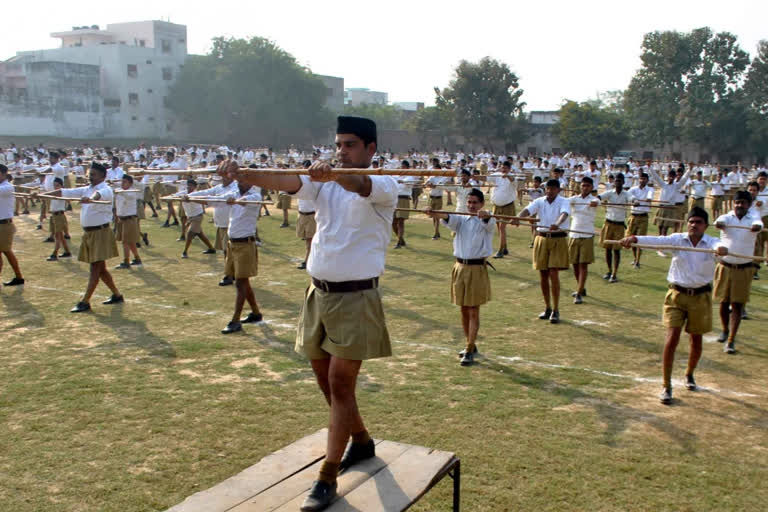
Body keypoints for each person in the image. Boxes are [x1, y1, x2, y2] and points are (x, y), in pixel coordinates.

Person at [219, 116, 397, 512]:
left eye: (351, 145)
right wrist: (243, 172)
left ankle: (327, 475)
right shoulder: (322, 182)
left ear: (370, 149)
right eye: (339, 144)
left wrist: (335, 174)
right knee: (325, 381)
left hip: (357, 298)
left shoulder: (384, 184)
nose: (342, 151)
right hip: (319, 293)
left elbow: (357, 183)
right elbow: (286, 181)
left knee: (339, 383)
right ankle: (362, 440)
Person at [619, 207, 726, 404]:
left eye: (698, 222)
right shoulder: (678, 239)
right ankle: (666, 386)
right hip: (676, 295)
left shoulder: (711, 243)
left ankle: (689, 374)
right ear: (687, 223)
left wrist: (721, 250)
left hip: (700, 297)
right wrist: (634, 239)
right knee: (672, 338)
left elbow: (721, 249)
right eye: (691, 221)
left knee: (696, 340)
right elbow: (657, 241)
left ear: (705, 226)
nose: (694, 225)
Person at [427, 188, 494, 366]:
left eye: (475, 203)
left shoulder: (487, 220)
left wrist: (486, 215)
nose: (471, 206)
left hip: (476, 268)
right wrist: (435, 213)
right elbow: (448, 218)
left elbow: (489, 221)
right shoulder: (461, 219)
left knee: (473, 309)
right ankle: (469, 343)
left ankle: (470, 347)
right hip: (460, 267)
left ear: (482, 203)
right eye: (469, 202)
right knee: (463, 308)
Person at [45, 162, 123, 312]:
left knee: (95, 267)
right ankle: (117, 295)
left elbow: (98, 196)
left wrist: (90, 198)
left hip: (100, 233)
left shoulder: (105, 189)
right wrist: (43, 195)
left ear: (102, 176)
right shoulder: (87, 189)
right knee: (101, 269)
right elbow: (64, 192)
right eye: (89, 174)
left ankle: (85, 301)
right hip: (90, 234)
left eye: (93, 175)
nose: (90, 177)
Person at [713, 190, 763, 353]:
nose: (740, 205)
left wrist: (757, 227)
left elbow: (759, 224)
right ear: (733, 203)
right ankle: (725, 330)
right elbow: (718, 221)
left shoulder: (753, 217)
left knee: (737, 305)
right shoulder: (728, 217)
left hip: (744, 268)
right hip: (725, 266)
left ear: (748, 205)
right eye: (737, 202)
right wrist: (719, 224)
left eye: (743, 203)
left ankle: (731, 339)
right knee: (723, 302)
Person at [514, 179, 570, 324]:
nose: (549, 191)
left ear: (558, 190)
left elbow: (564, 214)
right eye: (548, 189)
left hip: (558, 238)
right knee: (543, 274)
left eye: (552, 189)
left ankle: (556, 309)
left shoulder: (564, 201)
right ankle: (548, 307)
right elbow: (528, 210)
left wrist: (557, 224)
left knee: (553, 272)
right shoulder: (540, 201)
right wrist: (518, 218)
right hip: (542, 238)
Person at [218, 178, 263, 334]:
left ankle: (235, 320)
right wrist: (190, 196)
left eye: (243, 179)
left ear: (250, 181)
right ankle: (256, 313)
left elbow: (246, 201)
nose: (239, 182)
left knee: (240, 282)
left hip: (245, 245)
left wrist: (236, 200)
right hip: (232, 244)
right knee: (242, 281)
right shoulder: (234, 192)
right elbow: (216, 196)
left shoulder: (255, 196)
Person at [568, 177, 598, 303]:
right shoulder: (574, 199)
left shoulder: (594, 199)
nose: (585, 188)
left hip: (586, 235)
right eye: (583, 185)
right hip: (574, 234)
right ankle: (581, 287)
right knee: (574, 263)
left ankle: (579, 294)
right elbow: (563, 202)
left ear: (591, 187)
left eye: (587, 186)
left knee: (583, 264)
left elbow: (597, 202)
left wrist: (594, 203)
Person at [598, 173, 631, 282]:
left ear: (623, 182)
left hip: (619, 225)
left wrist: (635, 202)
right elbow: (600, 197)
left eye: (620, 181)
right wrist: (596, 200)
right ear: (614, 182)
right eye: (616, 181)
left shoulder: (626, 194)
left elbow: (632, 198)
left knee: (616, 250)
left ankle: (614, 273)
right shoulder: (609, 193)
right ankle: (609, 270)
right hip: (608, 223)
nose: (617, 183)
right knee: (607, 249)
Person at [177, 180, 217, 259]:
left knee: (190, 233)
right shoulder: (183, 193)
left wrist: (188, 198)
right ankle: (211, 249)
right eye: (188, 185)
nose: (189, 187)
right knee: (200, 234)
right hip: (190, 216)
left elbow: (202, 199)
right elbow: (174, 195)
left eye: (191, 186)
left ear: (195, 187)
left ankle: (185, 252)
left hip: (197, 216)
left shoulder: (197, 194)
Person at [0, 164, 25, 286]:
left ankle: (19, 277)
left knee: (6, 251)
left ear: (4, 174)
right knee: (6, 252)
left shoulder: (7, 187)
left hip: (4, 225)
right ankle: (19, 277)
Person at [489, 161, 518, 258]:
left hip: (507, 206)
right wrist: (474, 176)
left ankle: (500, 250)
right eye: (502, 168)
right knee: (499, 227)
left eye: (505, 168)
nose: (503, 170)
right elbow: (486, 177)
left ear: (509, 169)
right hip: (497, 205)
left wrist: (508, 176)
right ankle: (504, 247)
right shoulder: (497, 176)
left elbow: (513, 181)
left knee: (502, 227)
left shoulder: (513, 177)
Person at [113, 175, 142, 269]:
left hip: (129, 219)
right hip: (122, 219)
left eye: (125, 182)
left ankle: (126, 261)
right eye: (122, 181)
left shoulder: (133, 192)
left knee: (126, 241)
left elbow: (126, 194)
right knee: (130, 242)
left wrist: (118, 191)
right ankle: (137, 258)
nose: (122, 183)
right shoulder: (119, 190)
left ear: (130, 183)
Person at [626, 172, 653, 267]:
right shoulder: (633, 189)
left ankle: (638, 261)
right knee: (631, 238)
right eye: (641, 178)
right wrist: (634, 200)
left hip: (643, 217)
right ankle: (635, 258)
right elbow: (627, 195)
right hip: (633, 216)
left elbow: (650, 195)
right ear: (639, 179)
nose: (642, 180)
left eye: (644, 179)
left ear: (647, 180)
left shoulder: (650, 189)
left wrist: (649, 199)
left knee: (640, 239)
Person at [46, 178, 72, 261]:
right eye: (54, 185)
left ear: (61, 186)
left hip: (59, 216)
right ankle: (67, 251)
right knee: (60, 235)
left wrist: (65, 198)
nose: (55, 187)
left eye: (57, 185)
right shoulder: (54, 193)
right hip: (54, 216)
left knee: (58, 235)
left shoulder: (62, 193)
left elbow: (68, 200)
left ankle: (54, 253)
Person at [425, 164, 447, 239]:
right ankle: (437, 232)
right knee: (433, 216)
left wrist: (432, 185)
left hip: (438, 198)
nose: (435, 171)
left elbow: (437, 186)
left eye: (436, 169)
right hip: (431, 198)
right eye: (434, 169)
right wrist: (428, 184)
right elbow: (427, 183)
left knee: (437, 216)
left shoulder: (443, 178)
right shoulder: (432, 177)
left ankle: (436, 233)